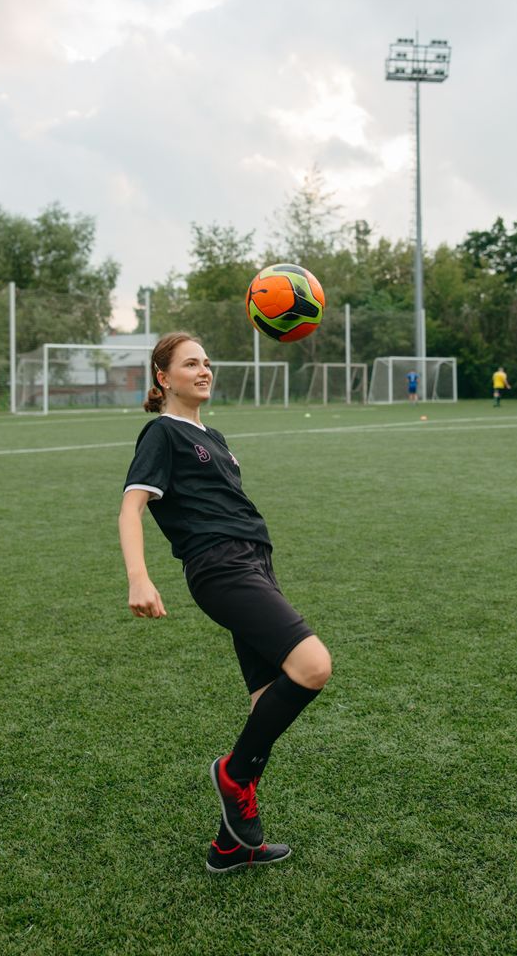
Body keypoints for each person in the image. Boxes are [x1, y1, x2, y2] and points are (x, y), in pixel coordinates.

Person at [118, 332, 332, 875]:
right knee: (312, 666)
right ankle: (233, 776)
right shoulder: (162, 432)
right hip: (220, 567)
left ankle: (230, 845)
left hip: (255, 562)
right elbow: (131, 508)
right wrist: (138, 578)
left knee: (266, 701)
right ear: (164, 378)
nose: (205, 370)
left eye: (208, 362)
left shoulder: (212, 434)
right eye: (191, 364)